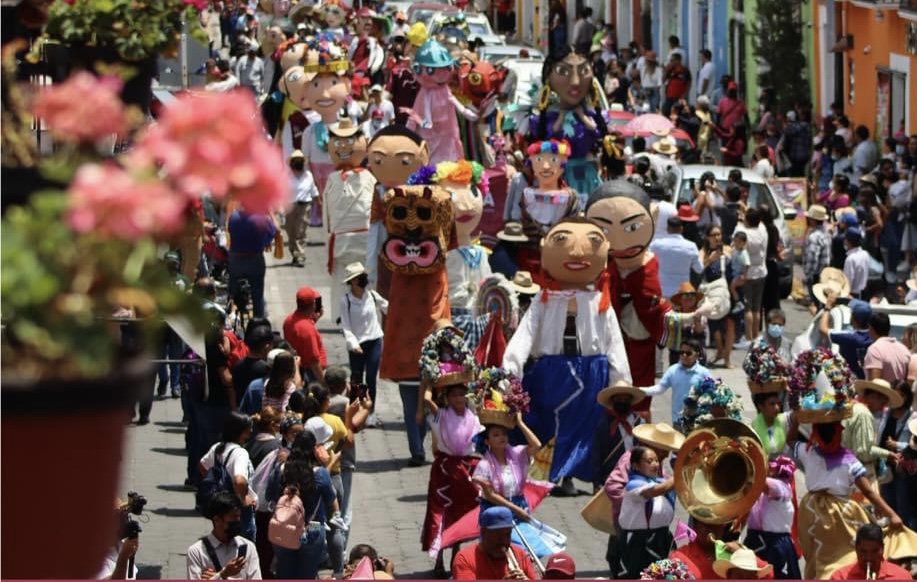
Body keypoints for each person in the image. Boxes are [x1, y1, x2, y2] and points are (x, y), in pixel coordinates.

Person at [787, 417, 908, 578]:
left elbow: (791, 441)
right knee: (843, 555)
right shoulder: (847, 460)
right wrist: (891, 514)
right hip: (838, 512)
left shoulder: (808, 451)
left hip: (812, 510)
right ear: (840, 433)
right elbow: (868, 492)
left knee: (823, 557)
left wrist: (795, 422)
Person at [474, 416, 560, 559]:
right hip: (497, 513)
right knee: (506, 551)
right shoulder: (484, 465)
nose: (502, 437)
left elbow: (537, 445)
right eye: (496, 435)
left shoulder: (517, 454)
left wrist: (520, 422)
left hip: (520, 508)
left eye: (504, 433)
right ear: (487, 441)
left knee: (529, 549)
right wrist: (516, 509)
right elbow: (490, 495)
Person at [421, 383, 483, 576]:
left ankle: (457, 554)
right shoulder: (441, 415)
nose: (458, 399)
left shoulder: (473, 416)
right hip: (445, 469)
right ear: (447, 398)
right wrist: (430, 378)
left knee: (462, 512)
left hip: (467, 469)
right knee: (439, 513)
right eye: (454, 395)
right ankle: (438, 559)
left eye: (462, 395)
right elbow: (426, 399)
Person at [271, 431, 339, 580]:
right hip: (312, 526)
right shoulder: (320, 473)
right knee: (307, 572)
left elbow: (269, 496)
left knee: (285, 572)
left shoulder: (281, 471)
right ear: (313, 449)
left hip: (284, 525)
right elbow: (330, 499)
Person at [612, 445, 676, 578]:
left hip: (663, 537)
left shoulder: (662, 481)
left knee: (665, 576)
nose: (655, 464)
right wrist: (681, 472)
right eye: (649, 461)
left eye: (656, 460)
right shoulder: (634, 485)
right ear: (636, 465)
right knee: (638, 576)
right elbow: (658, 490)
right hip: (639, 541)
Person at [338, 262, 387, 426]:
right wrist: (353, 343)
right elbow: (346, 325)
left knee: (371, 377)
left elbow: (388, 308)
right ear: (352, 281)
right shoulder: (346, 301)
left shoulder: (372, 295)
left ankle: (370, 412)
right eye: (359, 278)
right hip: (357, 345)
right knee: (357, 379)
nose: (363, 280)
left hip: (374, 340)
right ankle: (354, 410)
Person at [200, 412, 258, 541]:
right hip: (238, 511)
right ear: (241, 431)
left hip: (221, 507)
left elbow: (203, 466)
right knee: (242, 548)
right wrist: (243, 499)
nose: (252, 430)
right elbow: (239, 481)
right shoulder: (240, 453)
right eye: (249, 428)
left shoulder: (217, 447)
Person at [743, 456, 800, 579]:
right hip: (755, 541)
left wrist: (748, 466)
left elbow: (763, 484)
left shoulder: (783, 486)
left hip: (774, 546)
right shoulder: (761, 489)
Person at [187, 491, 261, 579]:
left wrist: (218, 577)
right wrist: (223, 574)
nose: (238, 521)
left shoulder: (249, 547)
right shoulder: (197, 552)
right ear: (217, 520)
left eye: (239, 516)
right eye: (233, 517)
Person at [451, 506, 537, 580]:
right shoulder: (465, 559)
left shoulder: (519, 553)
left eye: (507, 534)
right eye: (497, 535)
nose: (503, 541)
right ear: (483, 532)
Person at [669, 519, 771, 579]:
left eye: (717, 524)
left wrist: (744, 553)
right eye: (706, 524)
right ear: (695, 526)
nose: (711, 528)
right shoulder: (680, 556)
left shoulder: (736, 551)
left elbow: (768, 575)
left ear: (724, 527)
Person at [642, 339, 711, 426]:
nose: (684, 355)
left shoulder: (704, 373)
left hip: (699, 422)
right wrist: (638, 391)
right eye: (681, 352)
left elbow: (711, 394)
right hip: (678, 421)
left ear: (697, 355)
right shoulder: (673, 370)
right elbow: (659, 389)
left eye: (688, 353)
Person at [593, 382, 645, 493]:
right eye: (619, 399)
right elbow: (596, 454)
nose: (622, 402)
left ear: (630, 401)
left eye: (625, 399)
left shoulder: (639, 422)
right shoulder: (604, 424)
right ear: (613, 401)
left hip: (637, 476)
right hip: (612, 477)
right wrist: (596, 483)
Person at [227, 207, 276, 320]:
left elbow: (230, 231)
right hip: (255, 259)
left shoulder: (233, 217)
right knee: (257, 294)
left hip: (236, 259)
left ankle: (230, 315)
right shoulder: (261, 219)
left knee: (232, 291)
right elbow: (272, 232)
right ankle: (258, 320)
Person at [829, 523, 913, 580]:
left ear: (882, 548)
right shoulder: (840, 577)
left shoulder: (902, 577)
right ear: (856, 549)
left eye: (875, 551)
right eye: (863, 551)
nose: (868, 557)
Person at [734, 208, 767, 347]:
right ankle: (756, 335)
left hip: (747, 273)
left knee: (748, 307)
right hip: (761, 270)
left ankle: (748, 337)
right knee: (757, 307)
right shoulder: (762, 230)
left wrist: (740, 221)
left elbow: (735, 239)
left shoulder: (744, 233)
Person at [648, 216, 703, 298]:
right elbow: (699, 269)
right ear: (681, 229)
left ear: (668, 229)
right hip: (682, 295)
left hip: (662, 293)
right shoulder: (691, 246)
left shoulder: (657, 245)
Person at [283, 287, 327, 382]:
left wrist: (314, 320)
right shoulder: (308, 329)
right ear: (313, 305)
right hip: (309, 374)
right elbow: (313, 362)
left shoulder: (289, 320)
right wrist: (323, 383)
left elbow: (300, 330)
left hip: (297, 369)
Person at [286, 150, 318, 268]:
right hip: (290, 206)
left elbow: (313, 190)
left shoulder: (308, 175)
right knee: (291, 232)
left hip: (305, 205)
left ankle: (300, 254)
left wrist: (319, 203)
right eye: (296, 160)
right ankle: (294, 253)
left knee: (301, 231)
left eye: (300, 160)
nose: (298, 162)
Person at [864, 312, 911, 383]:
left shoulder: (875, 349)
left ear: (871, 328)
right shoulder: (904, 349)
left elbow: (874, 383)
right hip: (899, 394)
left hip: (882, 394)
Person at [803, 205, 831, 312]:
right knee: (821, 304)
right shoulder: (826, 234)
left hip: (815, 275)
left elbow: (813, 258)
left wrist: (808, 275)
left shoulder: (814, 237)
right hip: (824, 274)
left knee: (816, 304)